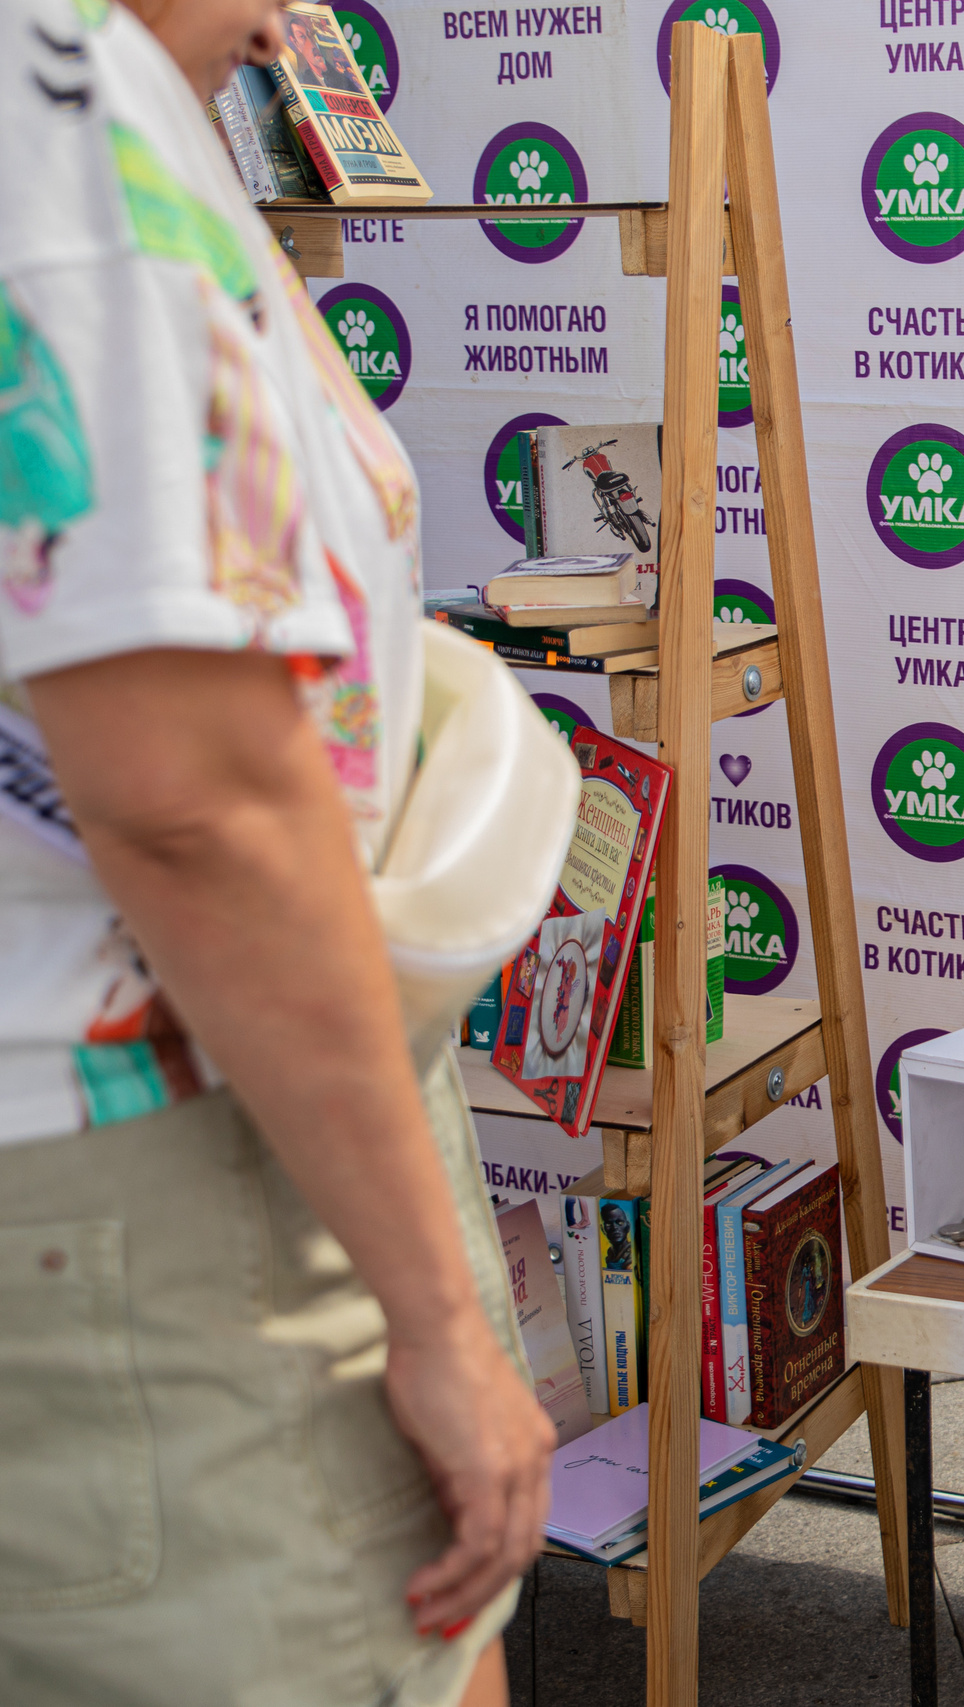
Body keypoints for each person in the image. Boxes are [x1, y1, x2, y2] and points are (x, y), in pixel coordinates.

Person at [0, 2, 551, 1704]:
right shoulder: (56, 101)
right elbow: (199, 800)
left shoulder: (118, 101)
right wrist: (438, 1317)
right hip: (167, 1134)